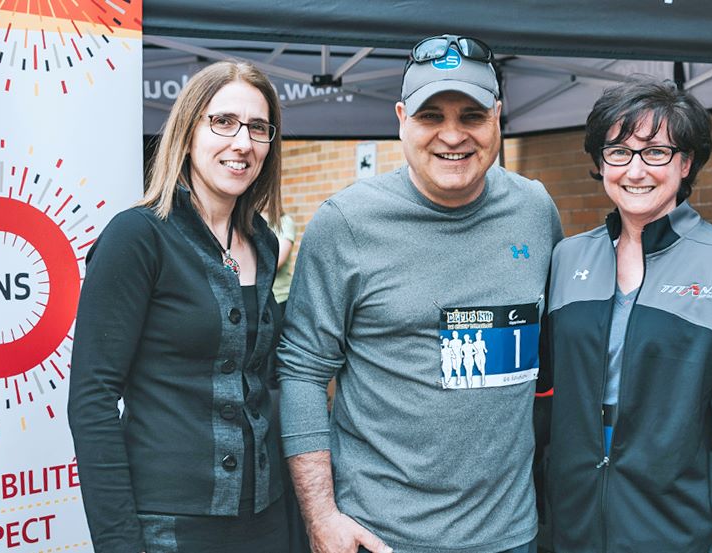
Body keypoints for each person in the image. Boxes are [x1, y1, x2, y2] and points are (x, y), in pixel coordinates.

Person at [277, 34, 563, 553]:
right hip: (379, 536)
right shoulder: (345, 223)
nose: (452, 136)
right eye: (432, 116)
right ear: (401, 118)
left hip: (510, 535)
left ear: (498, 116)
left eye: (471, 116)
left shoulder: (535, 210)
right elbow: (301, 371)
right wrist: (321, 517)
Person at [542, 77, 712, 552]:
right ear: (600, 161)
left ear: (686, 161)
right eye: (618, 151)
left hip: (680, 530)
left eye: (656, 152)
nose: (635, 170)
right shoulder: (567, 258)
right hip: (574, 528)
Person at [68, 60, 290, 553]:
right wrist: (120, 543)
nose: (242, 143)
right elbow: (92, 401)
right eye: (224, 122)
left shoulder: (264, 242)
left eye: (258, 128)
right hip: (172, 526)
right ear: (188, 132)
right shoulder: (138, 237)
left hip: (267, 518)